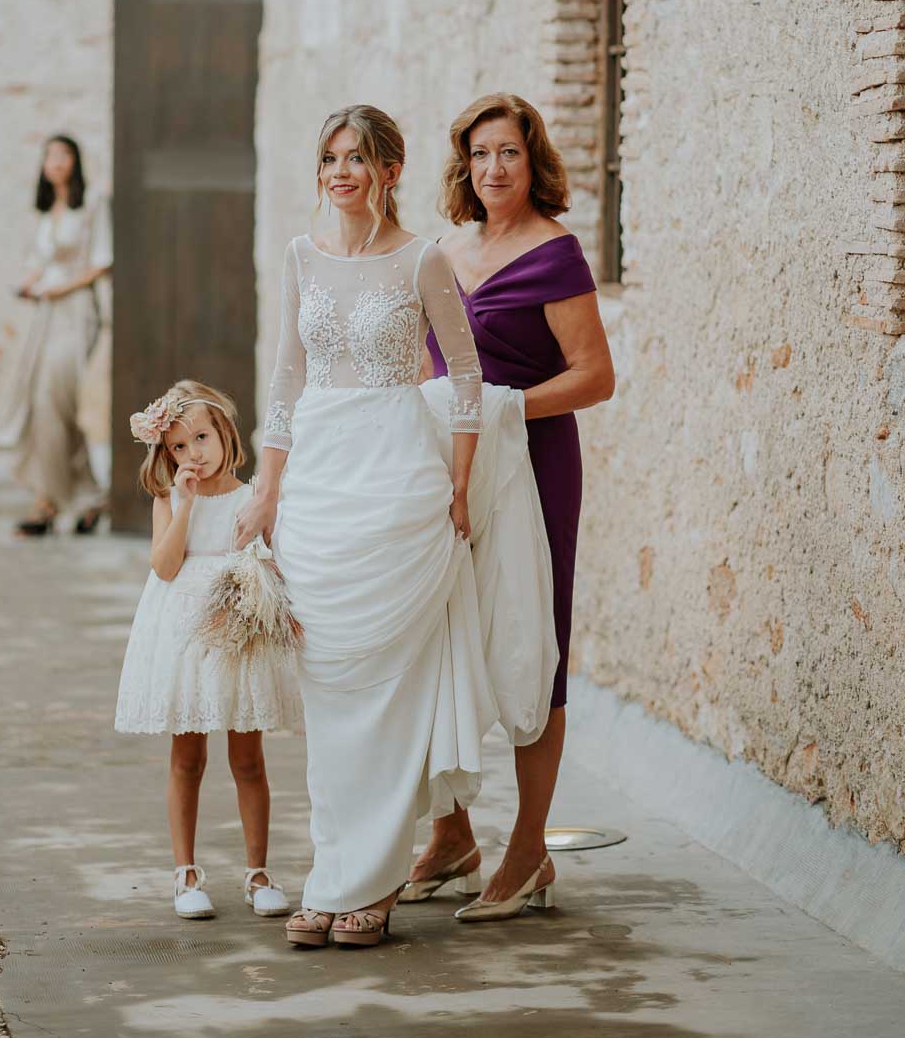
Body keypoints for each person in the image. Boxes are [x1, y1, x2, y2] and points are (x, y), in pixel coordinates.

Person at [235, 105, 495, 950]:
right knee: (332, 692)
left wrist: (457, 485)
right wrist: (266, 492)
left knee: (387, 692)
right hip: (317, 483)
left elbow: (464, 373)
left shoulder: (422, 258)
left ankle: (370, 886)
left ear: (389, 169)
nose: (339, 172)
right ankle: (331, 873)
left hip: (396, 480)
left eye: (357, 158)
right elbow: (285, 376)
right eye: (329, 158)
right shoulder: (300, 257)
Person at [407, 92, 615, 920]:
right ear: (463, 165)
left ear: (534, 165)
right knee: (436, 631)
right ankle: (452, 833)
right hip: (444, 467)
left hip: (533, 463)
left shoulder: (554, 254)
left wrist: (497, 409)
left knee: (533, 639)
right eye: (480, 154)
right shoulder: (444, 253)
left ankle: (528, 849)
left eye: (509, 154)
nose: (493, 169)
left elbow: (593, 377)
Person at [115, 380, 301, 920]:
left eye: (201, 437)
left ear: (224, 431)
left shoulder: (255, 498)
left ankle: (258, 870)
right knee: (187, 757)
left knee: (247, 757)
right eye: (177, 446)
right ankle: (186, 871)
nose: (192, 453)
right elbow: (166, 566)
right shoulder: (171, 497)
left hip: (237, 630)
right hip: (183, 636)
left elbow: (271, 559)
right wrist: (186, 505)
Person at [0, 135, 112, 537]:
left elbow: (101, 263)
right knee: (40, 402)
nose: (55, 162)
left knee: (54, 399)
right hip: (45, 314)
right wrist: (27, 286)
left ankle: (51, 501)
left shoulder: (92, 202)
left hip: (77, 311)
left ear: (76, 161)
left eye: (63, 155)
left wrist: (58, 289)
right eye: (49, 156)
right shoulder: (48, 213)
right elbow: (39, 263)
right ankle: (80, 497)